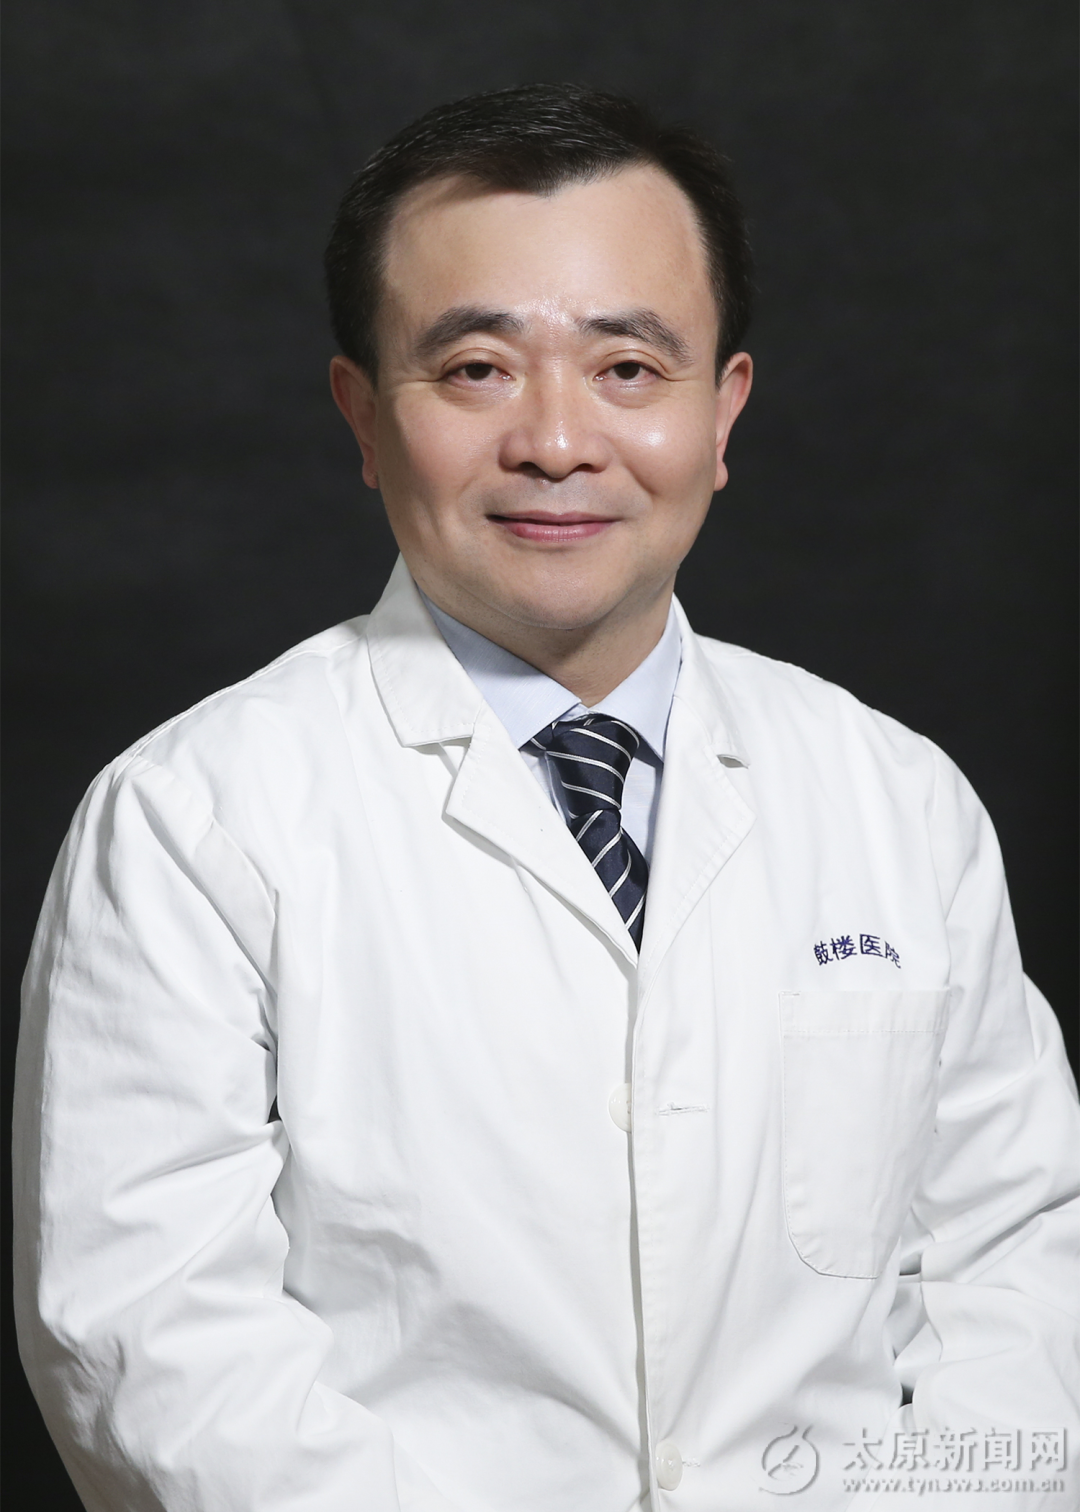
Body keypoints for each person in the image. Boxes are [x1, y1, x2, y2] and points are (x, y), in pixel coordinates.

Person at [13, 84, 1079, 1512]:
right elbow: (153, 1357)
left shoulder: (898, 801)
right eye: (476, 370)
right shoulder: (190, 822)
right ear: (363, 416)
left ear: (722, 412)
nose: (558, 441)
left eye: (630, 368)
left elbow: (1017, 1270)